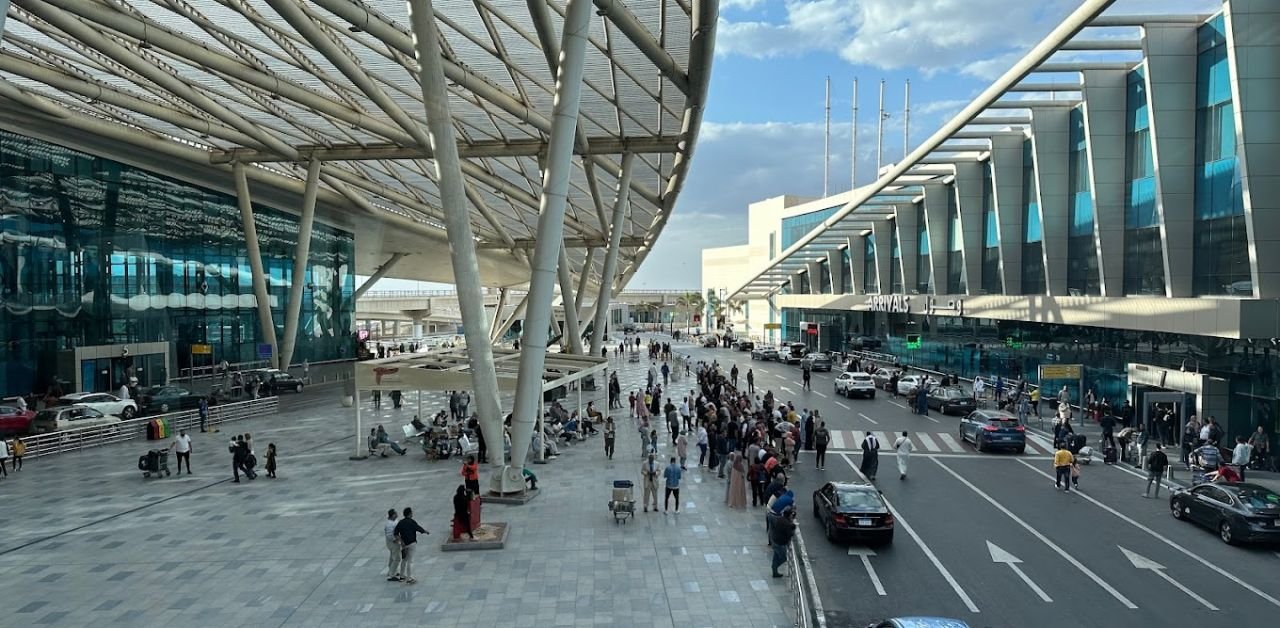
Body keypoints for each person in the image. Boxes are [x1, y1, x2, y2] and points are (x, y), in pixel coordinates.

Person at [392, 507, 428, 584]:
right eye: (411, 513)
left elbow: (395, 534)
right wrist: (425, 531)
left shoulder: (400, 522)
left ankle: (402, 576)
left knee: (404, 559)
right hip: (412, 543)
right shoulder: (412, 522)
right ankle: (410, 578)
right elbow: (418, 528)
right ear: (409, 514)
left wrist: (401, 542)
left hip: (404, 544)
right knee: (410, 561)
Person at [770, 507, 797, 578]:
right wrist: (793, 528)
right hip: (780, 543)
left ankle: (774, 571)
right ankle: (774, 567)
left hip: (775, 540)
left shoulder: (780, 519)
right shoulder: (787, 524)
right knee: (783, 558)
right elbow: (789, 534)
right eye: (792, 514)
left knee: (776, 556)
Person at [383, 509, 403, 582]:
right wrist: (398, 541)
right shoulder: (389, 524)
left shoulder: (395, 521)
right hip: (393, 543)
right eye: (396, 513)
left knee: (392, 557)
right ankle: (392, 575)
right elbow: (389, 535)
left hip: (394, 542)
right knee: (397, 558)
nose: (397, 514)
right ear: (393, 515)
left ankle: (391, 570)